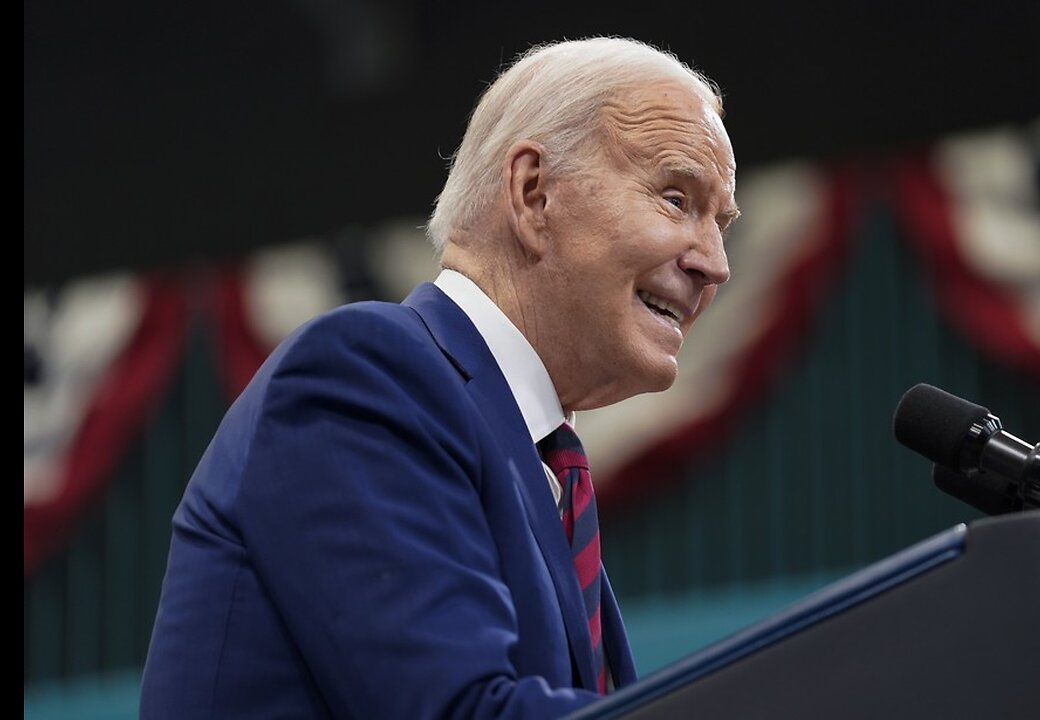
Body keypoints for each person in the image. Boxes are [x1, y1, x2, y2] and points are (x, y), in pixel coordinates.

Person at [139, 36, 738, 718]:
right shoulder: (365, 378)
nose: (715, 263)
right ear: (533, 193)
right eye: (675, 198)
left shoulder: (540, 467)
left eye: (721, 223)